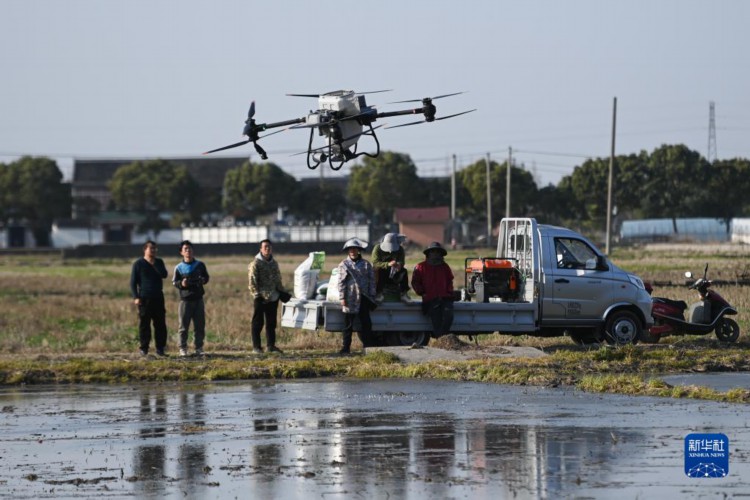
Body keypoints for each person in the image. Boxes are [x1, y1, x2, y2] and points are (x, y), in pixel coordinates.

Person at [337, 237, 376, 354]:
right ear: (348, 251)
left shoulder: (366, 264)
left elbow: (372, 281)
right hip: (350, 298)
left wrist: (372, 296)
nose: (352, 251)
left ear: (359, 250)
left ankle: (368, 347)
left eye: (354, 249)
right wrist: (342, 297)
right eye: (350, 249)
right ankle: (345, 348)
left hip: (364, 297)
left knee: (366, 323)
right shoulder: (343, 264)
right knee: (348, 325)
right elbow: (341, 282)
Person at [130, 240, 169, 357]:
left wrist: (154, 264)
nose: (153, 250)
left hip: (158, 297)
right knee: (144, 325)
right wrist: (136, 297)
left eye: (155, 248)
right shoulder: (138, 264)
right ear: (145, 250)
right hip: (144, 298)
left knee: (160, 324)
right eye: (151, 248)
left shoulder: (159, 262)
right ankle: (144, 348)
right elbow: (133, 282)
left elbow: (164, 275)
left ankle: (160, 349)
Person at [248, 239, 287, 354]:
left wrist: (282, 292)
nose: (267, 249)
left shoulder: (274, 263)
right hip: (260, 297)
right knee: (258, 322)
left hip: (273, 297)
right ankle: (256, 347)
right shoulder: (255, 263)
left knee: (271, 323)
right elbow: (252, 281)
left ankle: (271, 346)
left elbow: (278, 279)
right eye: (265, 247)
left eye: (269, 246)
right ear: (261, 249)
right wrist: (257, 295)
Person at [172, 240, 210, 357]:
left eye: (190, 248)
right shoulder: (179, 267)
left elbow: (206, 277)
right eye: (186, 249)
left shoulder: (200, 265)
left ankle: (199, 347)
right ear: (181, 252)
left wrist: (203, 280)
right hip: (185, 300)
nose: (188, 251)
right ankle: (183, 348)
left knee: (199, 326)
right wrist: (182, 284)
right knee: (183, 326)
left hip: (198, 299)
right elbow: (174, 282)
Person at [411, 241, 455, 339]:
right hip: (430, 299)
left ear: (441, 254)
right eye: (433, 251)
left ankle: (443, 339)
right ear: (428, 253)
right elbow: (415, 282)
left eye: (437, 252)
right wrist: (422, 293)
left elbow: (450, 281)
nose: (435, 254)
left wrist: (449, 293)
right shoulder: (420, 267)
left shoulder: (445, 267)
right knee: (436, 319)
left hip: (445, 298)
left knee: (449, 316)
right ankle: (440, 339)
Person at [371, 232, 411, 303]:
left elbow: (402, 261)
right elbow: (375, 262)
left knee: (404, 271)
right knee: (377, 270)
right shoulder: (377, 248)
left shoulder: (400, 249)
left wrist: (399, 265)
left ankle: (403, 294)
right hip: (381, 273)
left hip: (394, 272)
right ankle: (379, 293)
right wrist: (387, 264)